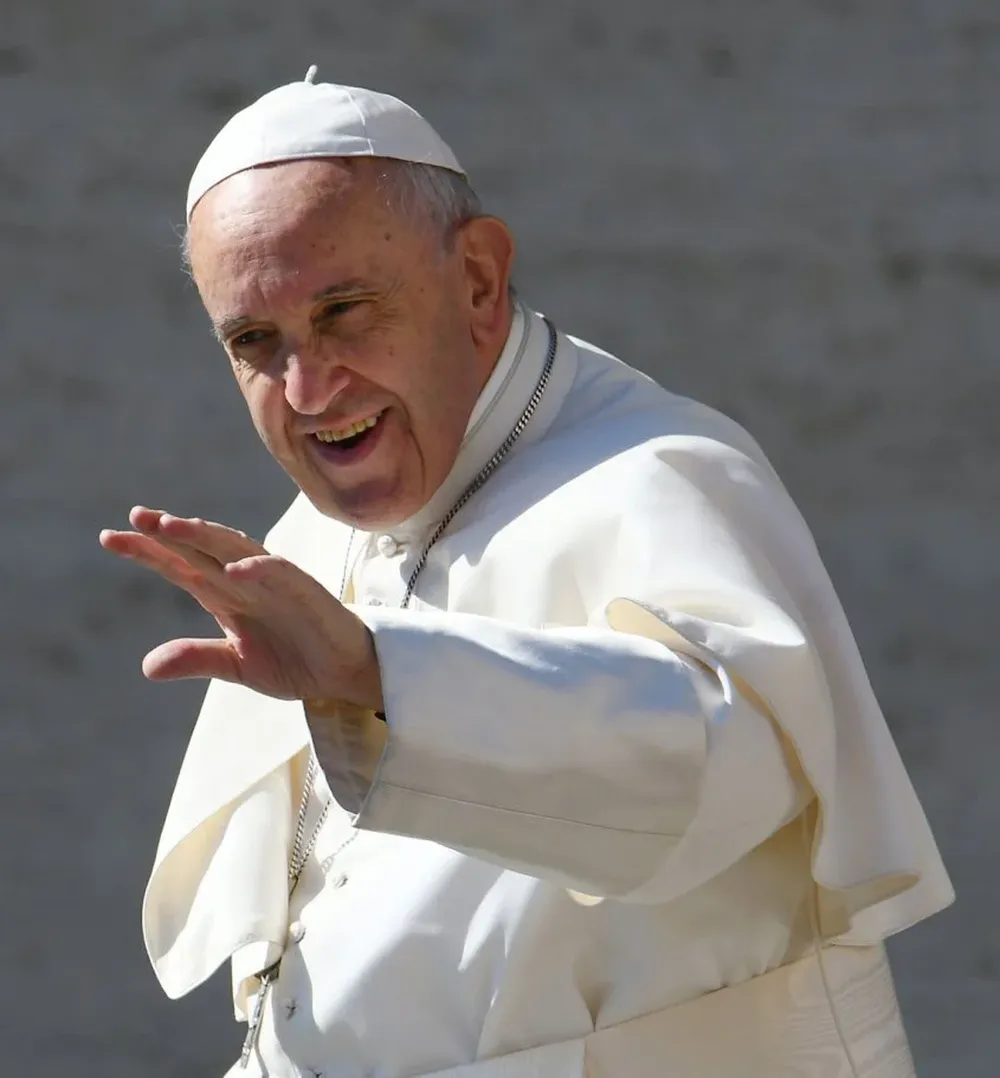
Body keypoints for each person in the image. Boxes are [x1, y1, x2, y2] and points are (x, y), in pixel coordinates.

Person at [100, 68, 953, 1078]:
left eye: (345, 311)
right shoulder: (312, 537)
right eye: (254, 341)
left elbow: (722, 765)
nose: (308, 387)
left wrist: (382, 673)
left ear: (478, 279)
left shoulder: (657, 476)